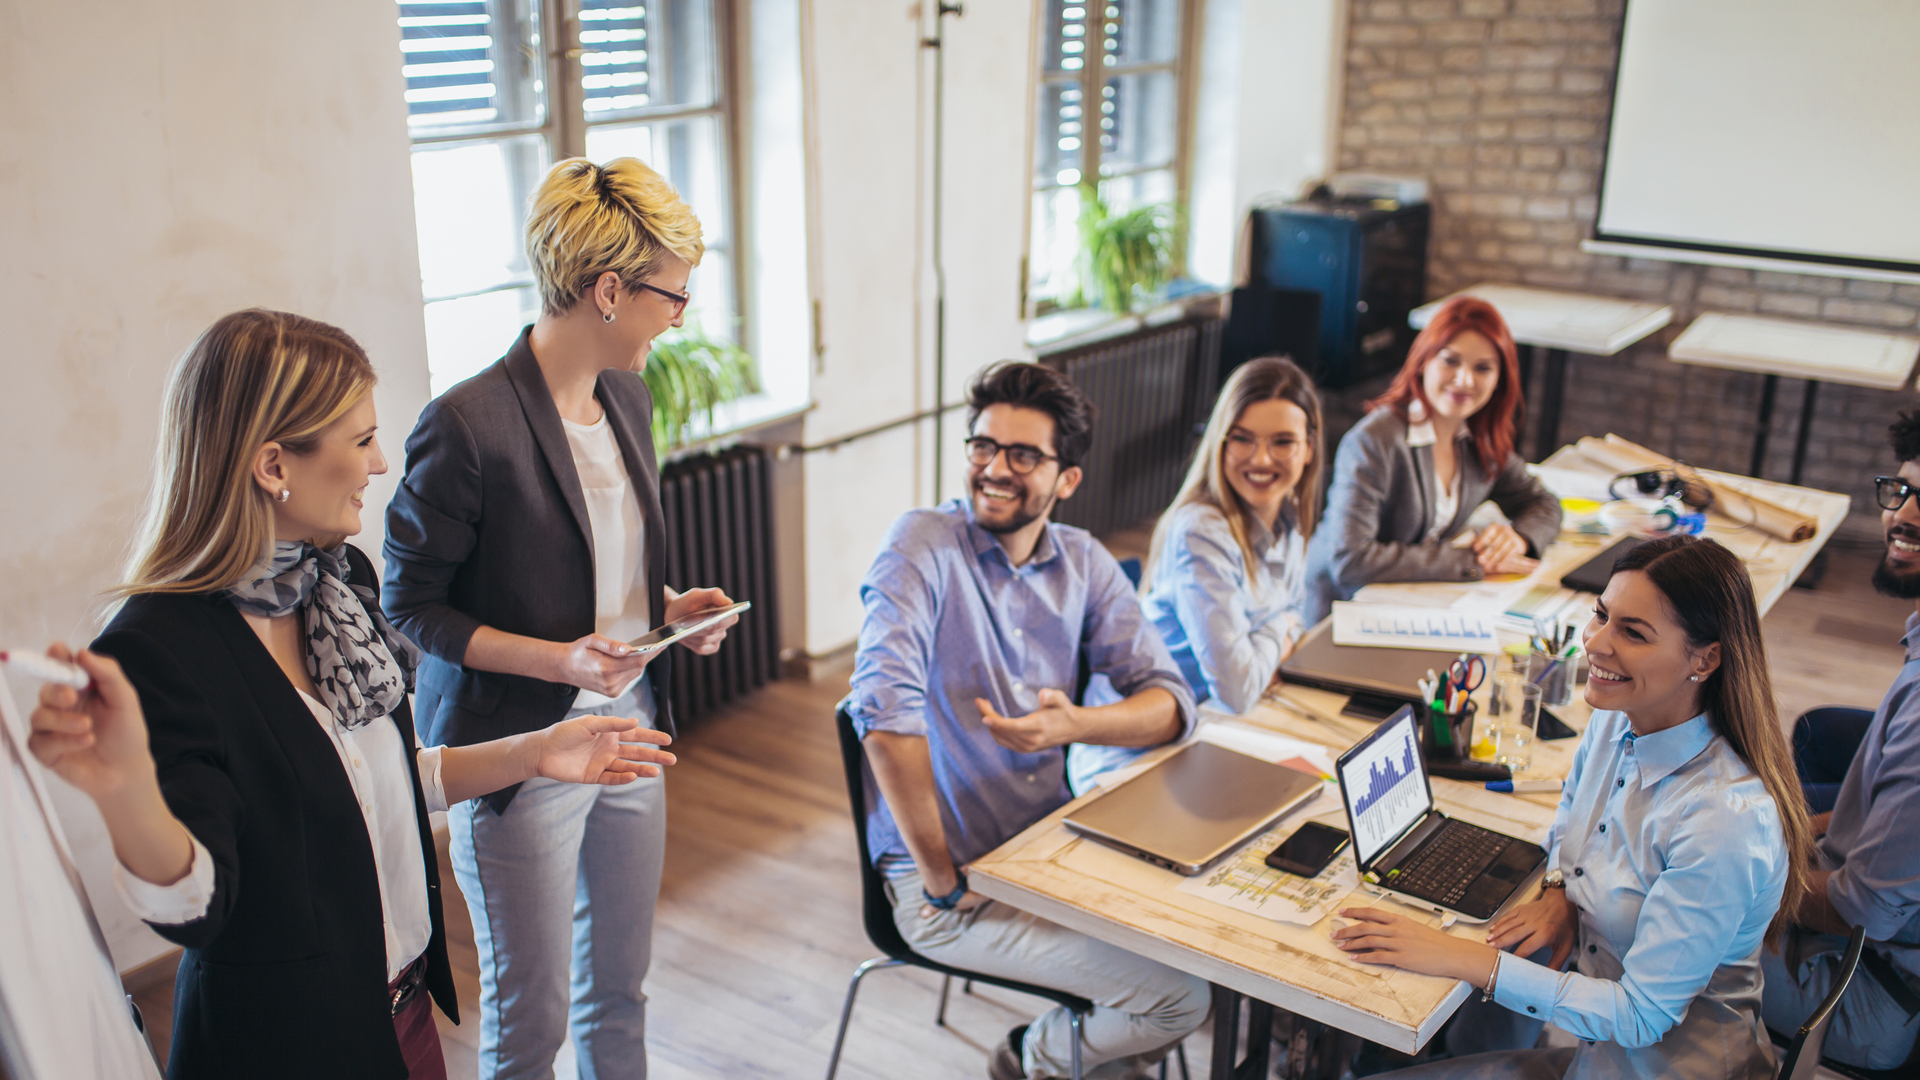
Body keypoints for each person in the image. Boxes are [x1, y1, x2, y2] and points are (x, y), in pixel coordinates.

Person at [34, 308, 675, 1080]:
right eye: (361, 440)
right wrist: (125, 789)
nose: (379, 464)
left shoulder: (336, 586)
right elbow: (196, 908)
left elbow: (394, 781)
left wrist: (537, 752)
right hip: (288, 1047)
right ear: (275, 466)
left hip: (402, 1015)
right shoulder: (159, 647)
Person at [382, 156, 737, 1079]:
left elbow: (583, 566)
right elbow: (409, 605)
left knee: (621, 990)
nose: (681, 314)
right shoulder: (464, 424)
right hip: (517, 752)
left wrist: (665, 613)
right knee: (528, 1024)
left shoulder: (628, 392)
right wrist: (559, 665)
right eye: (674, 292)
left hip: (629, 734)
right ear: (609, 289)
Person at [844, 361, 1212, 1080]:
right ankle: (1031, 1058)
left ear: (1066, 479)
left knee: (1203, 946)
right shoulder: (923, 543)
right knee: (1177, 997)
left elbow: (1169, 703)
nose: (994, 468)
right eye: (983, 446)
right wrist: (944, 881)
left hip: (1047, 856)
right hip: (944, 889)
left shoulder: (1083, 561)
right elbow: (884, 721)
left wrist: (1074, 725)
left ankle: (1094, 1061)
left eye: (1023, 455)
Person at [1330, 534, 1813, 1080]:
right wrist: (1562, 888)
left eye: (1633, 633)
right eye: (1601, 616)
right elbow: (1570, 813)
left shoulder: (1724, 819)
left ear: (1705, 658)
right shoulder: (1617, 717)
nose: (1596, 644)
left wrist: (1457, 956)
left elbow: (1639, 1016)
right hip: (1596, 1058)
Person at [1758, 413, 1920, 1071]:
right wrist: (1789, 827)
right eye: (1903, 491)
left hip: (1873, 987)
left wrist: (1729, 877)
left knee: (1620, 916)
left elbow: (1862, 909)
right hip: (1881, 933)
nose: (1903, 516)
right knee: (1814, 745)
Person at [1303, 296, 1561, 624]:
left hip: (1412, 605)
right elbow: (1350, 559)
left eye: (1482, 368)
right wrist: (1471, 560)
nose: (1464, 380)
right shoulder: (1375, 441)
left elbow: (1544, 502)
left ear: (1500, 380)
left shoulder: (1478, 438)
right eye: (1450, 361)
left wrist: (1519, 538)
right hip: (1342, 614)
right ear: (1424, 361)